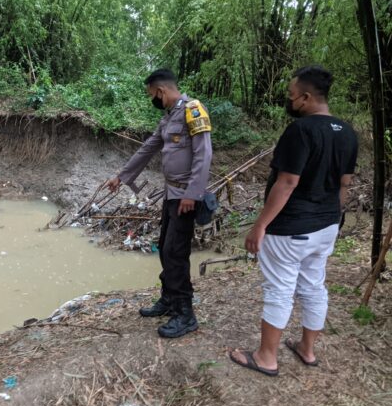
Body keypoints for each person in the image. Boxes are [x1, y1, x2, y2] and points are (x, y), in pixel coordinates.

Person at [229, 66, 358, 376]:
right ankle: (307, 350)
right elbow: (345, 184)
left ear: (306, 97)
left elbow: (287, 182)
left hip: (291, 228)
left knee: (280, 289)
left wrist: (260, 224)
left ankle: (266, 357)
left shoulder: (300, 131)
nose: (288, 100)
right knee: (314, 286)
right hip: (326, 226)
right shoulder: (348, 132)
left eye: (290, 95)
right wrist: (332, 219)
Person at [107, 69, 213, 338]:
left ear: (161, 91)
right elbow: (148, 148)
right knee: (166, 250)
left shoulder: (193, 109)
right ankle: (168, 300)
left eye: (151, 95)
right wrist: (122, 176)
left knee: (176, 254)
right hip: (171, 196)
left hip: (185, 198)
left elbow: (204, 154)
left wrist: (193, 193)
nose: (152, 99)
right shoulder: (168, 118)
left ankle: (185, 314)